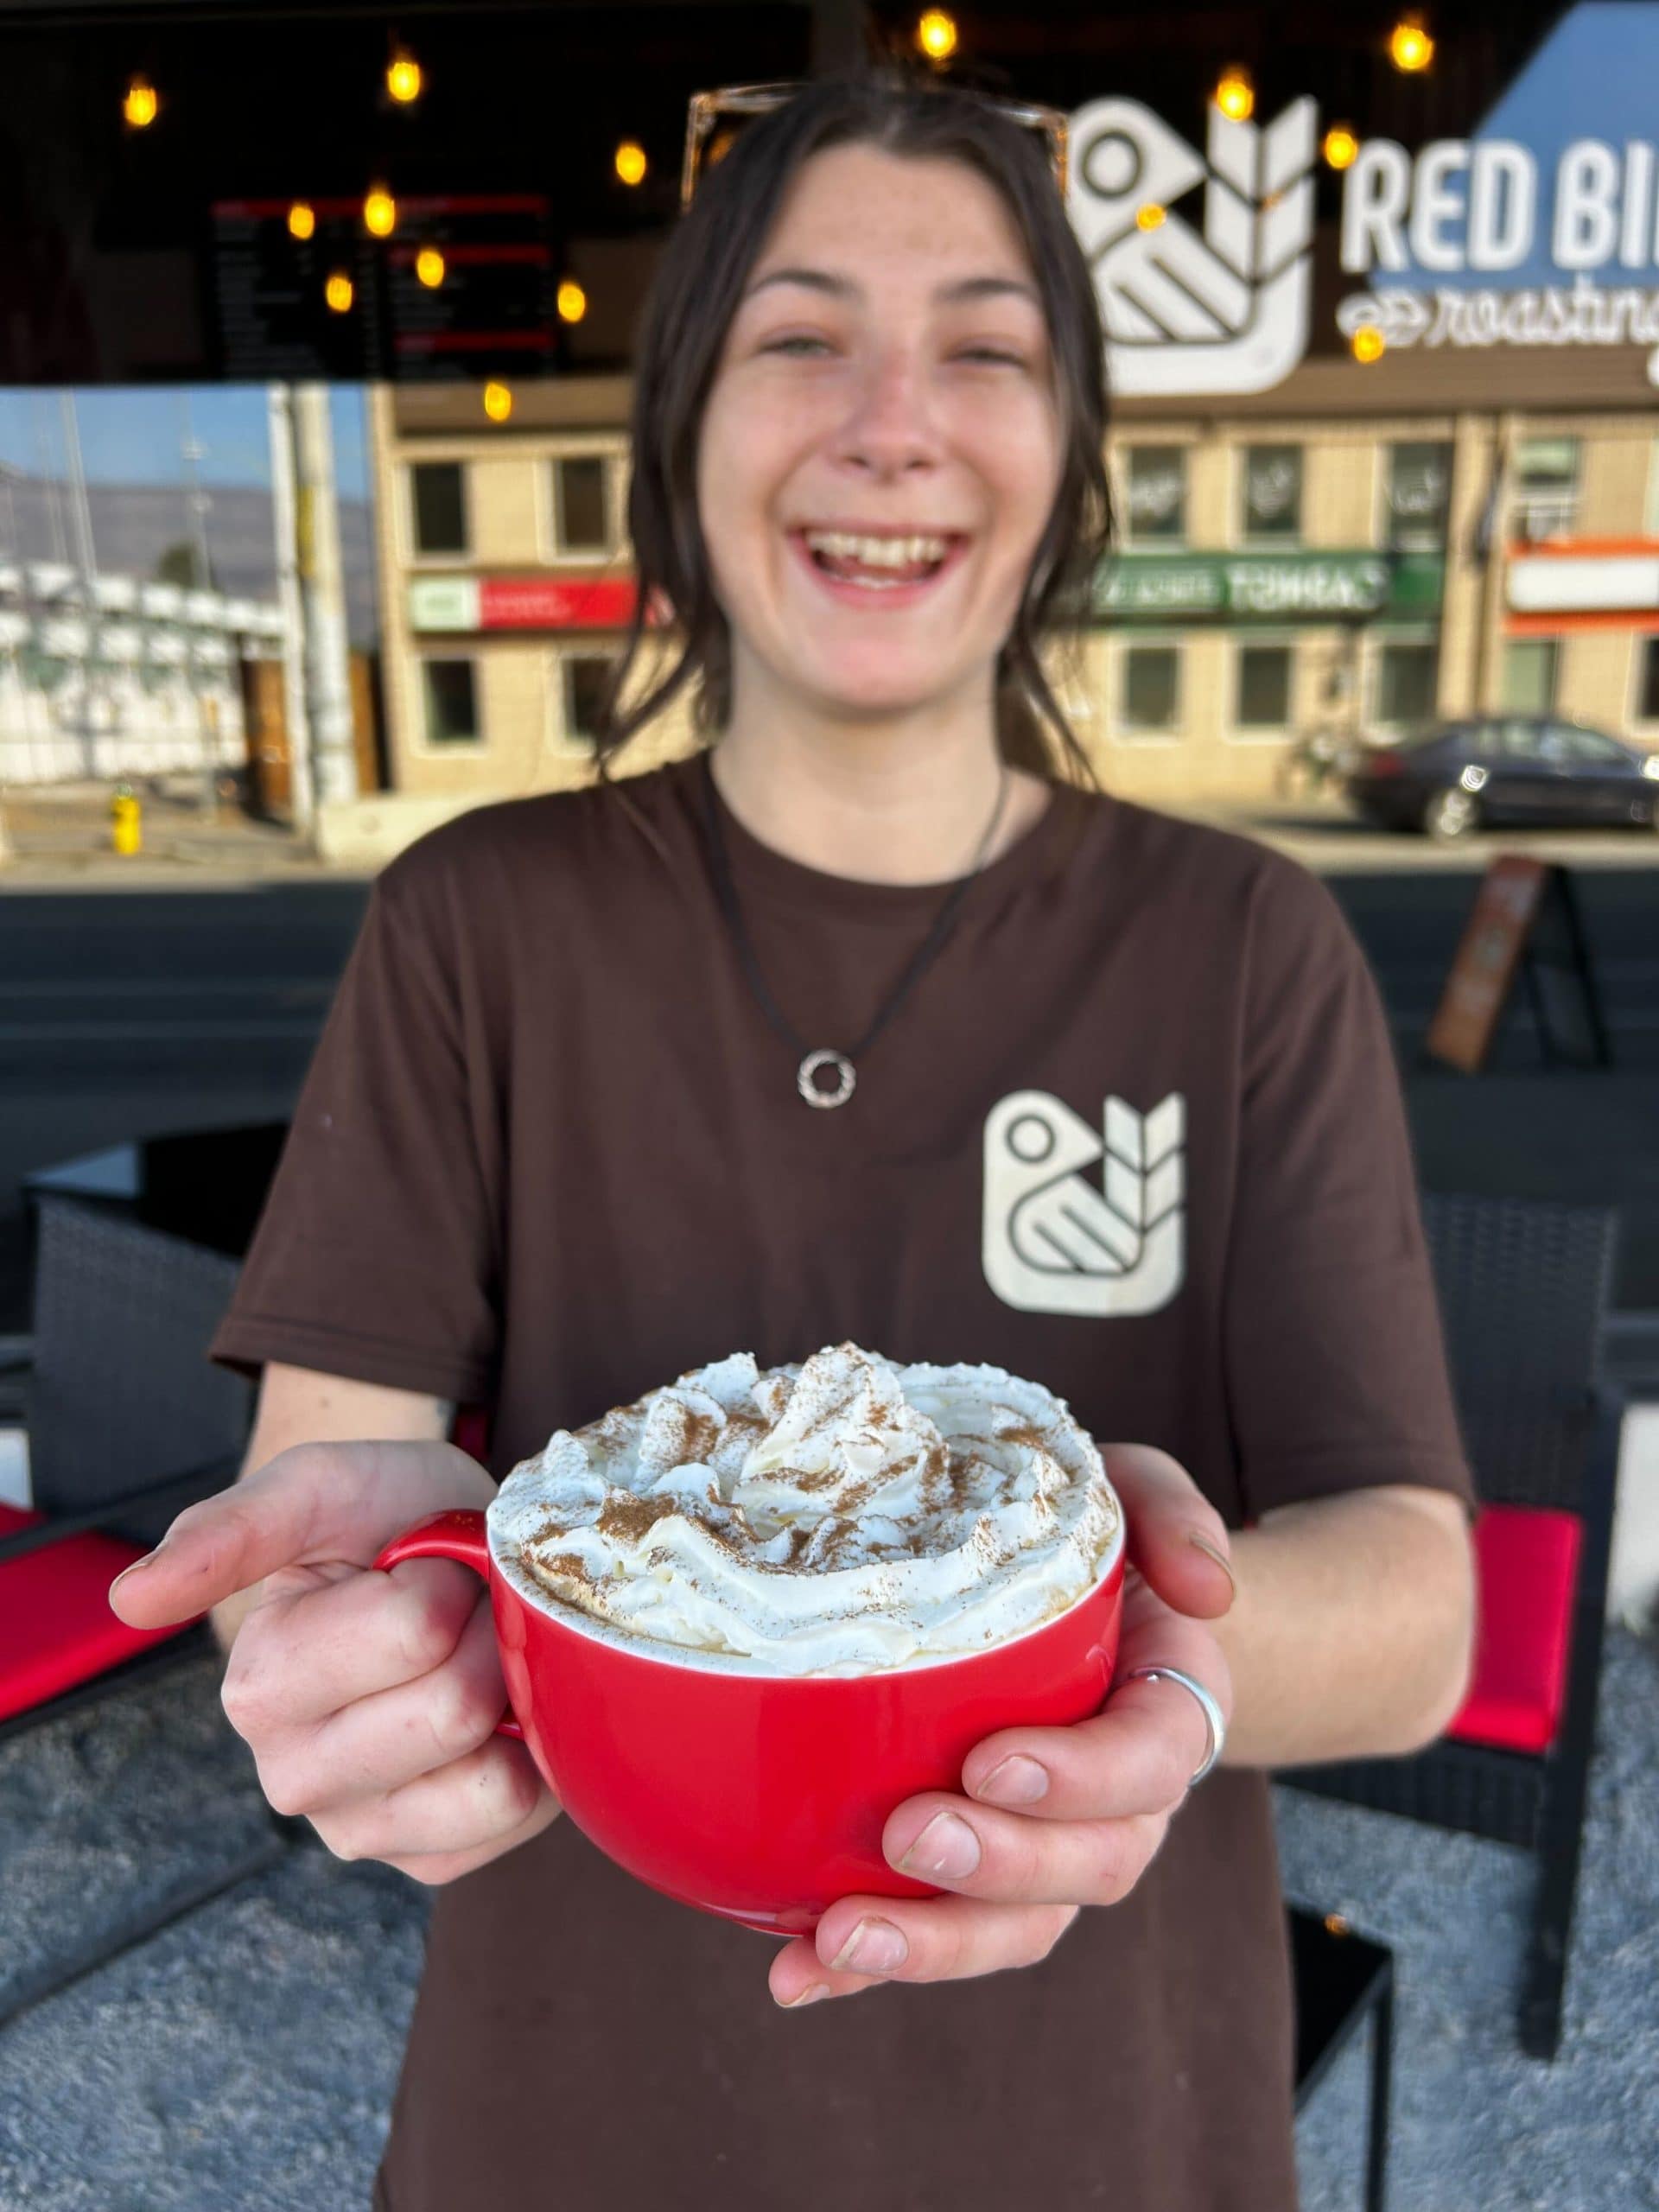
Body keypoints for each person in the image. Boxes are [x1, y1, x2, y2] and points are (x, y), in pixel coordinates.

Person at [109, 73, 1477, 2211]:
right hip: (568, 2116)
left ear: (1071, 456)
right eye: (800, 334)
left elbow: (1415, 1604)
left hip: (1108, 2125)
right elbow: (314, 1510)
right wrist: (364, 1646)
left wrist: (1128, 1647)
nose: (893, 420)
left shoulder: (1241, 942)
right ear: (683, 428)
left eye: (990, 347)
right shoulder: (477, 921)